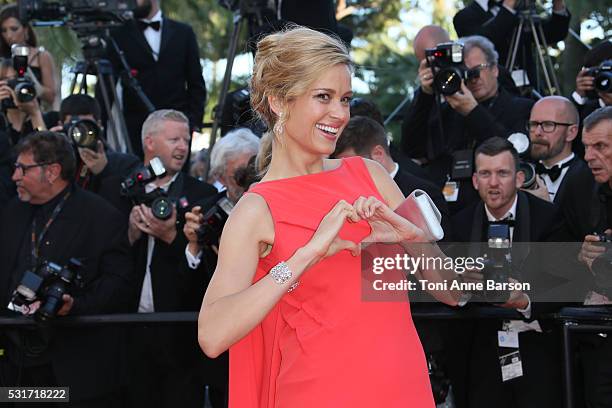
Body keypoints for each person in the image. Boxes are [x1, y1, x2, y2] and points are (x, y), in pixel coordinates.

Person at [197, 26, 461, 407]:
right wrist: (304, 255)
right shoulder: (255, 210)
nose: (339, 114)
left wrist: (417, 239)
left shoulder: (368, 175)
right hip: (317, 392)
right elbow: (212, 334)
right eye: (323, 97)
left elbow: (453, 293)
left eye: (346, 99)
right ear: (278, 101)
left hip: (402, 385)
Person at [0, 131, 135, 407]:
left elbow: (118, 285)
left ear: (52, 172)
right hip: (16, 369)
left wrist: (74, 305)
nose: (14, 176)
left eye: (22, 169)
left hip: (74, 373)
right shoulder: (11, 213)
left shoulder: (102, 217)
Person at [101, 109, 217, 408]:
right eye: (174, 139)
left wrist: (171, 237)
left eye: (186, 139)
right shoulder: (119, 190)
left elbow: (209, 273)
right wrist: (129, 234)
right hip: (124, 334)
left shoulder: (201, 195)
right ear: (149, 143)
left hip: (179, 336)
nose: (183, 147)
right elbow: (100, 260)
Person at [449, 137, 569, 408]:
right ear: (475, 180)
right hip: (480, 347)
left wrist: (525, 300)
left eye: (502, 173)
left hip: (536, 342)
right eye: (485, 173)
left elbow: (568, 281)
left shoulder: (548, 218)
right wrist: (461, 283)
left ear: (518, 178)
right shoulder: (459, 224)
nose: (493, 183)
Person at [401, 35, 534, 214]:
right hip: (449, 209)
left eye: (477, 70)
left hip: (493, 208)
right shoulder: (448, 110)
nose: (473, 78)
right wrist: (425, 95)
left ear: (494, 69)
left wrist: (473, 112)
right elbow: (412, 148)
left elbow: (512, 152)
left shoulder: (521, 108)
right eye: (465, 72)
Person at [107, 0, 206, 159]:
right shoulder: (118, 35)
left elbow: (196, 82)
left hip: (178, 125)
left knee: (180, 180)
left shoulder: (183, 32)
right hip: (138, 129)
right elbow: (106, 84)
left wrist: (192, 123)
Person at [570, 106, 612, 407]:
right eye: (586, 147)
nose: (588, 156)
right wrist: (587, 256)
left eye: (600, 146)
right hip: (602, 340)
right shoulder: (587, 188)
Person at [453, 0, 570, 88]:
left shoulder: (520, 10)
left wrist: (558, 4)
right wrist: (509, 5)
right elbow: (485, 41)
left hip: (529, 88)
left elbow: (553, 34)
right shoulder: (464, 17)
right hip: (496, 92)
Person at [527, 96, 593, 216]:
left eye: (548, 125)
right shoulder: (524, 171)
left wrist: (546, 206)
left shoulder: (590, 178)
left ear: (571, 132)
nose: (537, 132)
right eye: (533, 124)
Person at [0, 4, 58, 109]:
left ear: (25, 29)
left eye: (14, 29)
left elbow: (51, 96)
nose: (9, 35)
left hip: (33, 116)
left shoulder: (41, 56)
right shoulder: (2, 59)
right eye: (4, 31)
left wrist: (37, 88)